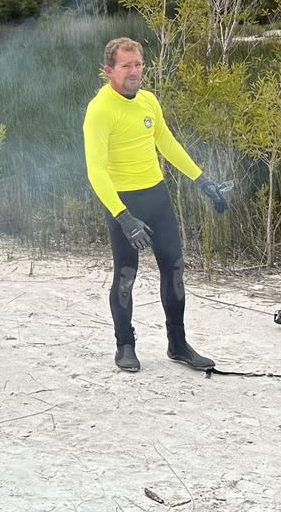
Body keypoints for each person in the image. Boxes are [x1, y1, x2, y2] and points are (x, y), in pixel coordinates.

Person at [82, 37, 229, 372]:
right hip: (122, 201)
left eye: (138, 65)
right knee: (126, 275)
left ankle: (178, 346)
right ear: (108, 71)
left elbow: (167, 143)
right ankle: (125, 345)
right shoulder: (100, 109)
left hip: (156, 195)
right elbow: (96, 170)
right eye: (126, 66)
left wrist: (202, 180)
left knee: (175, 269)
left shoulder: (148, 101)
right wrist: (124, 217)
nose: (135, 72)